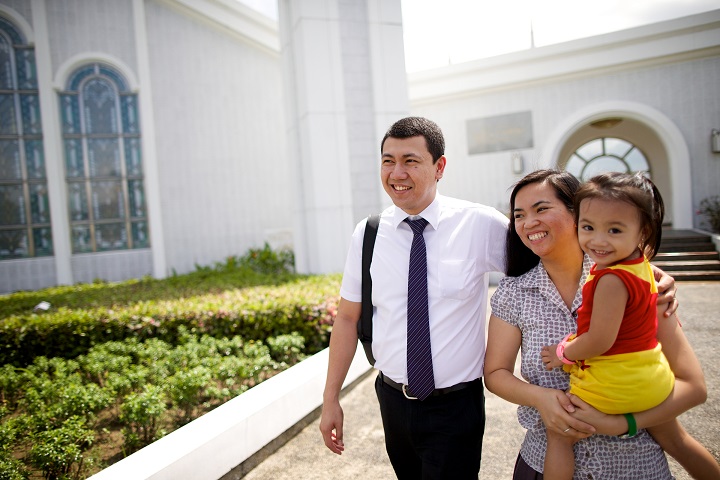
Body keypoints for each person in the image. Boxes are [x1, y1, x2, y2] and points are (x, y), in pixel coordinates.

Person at [484, 169, 710, 479]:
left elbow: (693, 388)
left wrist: (622, 423)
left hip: (634, 467)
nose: (528, 222)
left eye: (541, 209)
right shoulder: (513, 292)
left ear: (577, 213)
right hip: (541, 461)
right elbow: (496, 373)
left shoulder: (639, 282)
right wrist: (542, 399)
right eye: (519, 215)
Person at [319, 116, 508, 478]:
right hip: (392, 401)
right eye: (388, 161)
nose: (397, 173)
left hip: (455, 407)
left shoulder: (480, 224)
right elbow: (347, 318)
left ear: (439, 167)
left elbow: (543, 269)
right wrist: (330, 399)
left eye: (410, 161)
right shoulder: (368, 234)